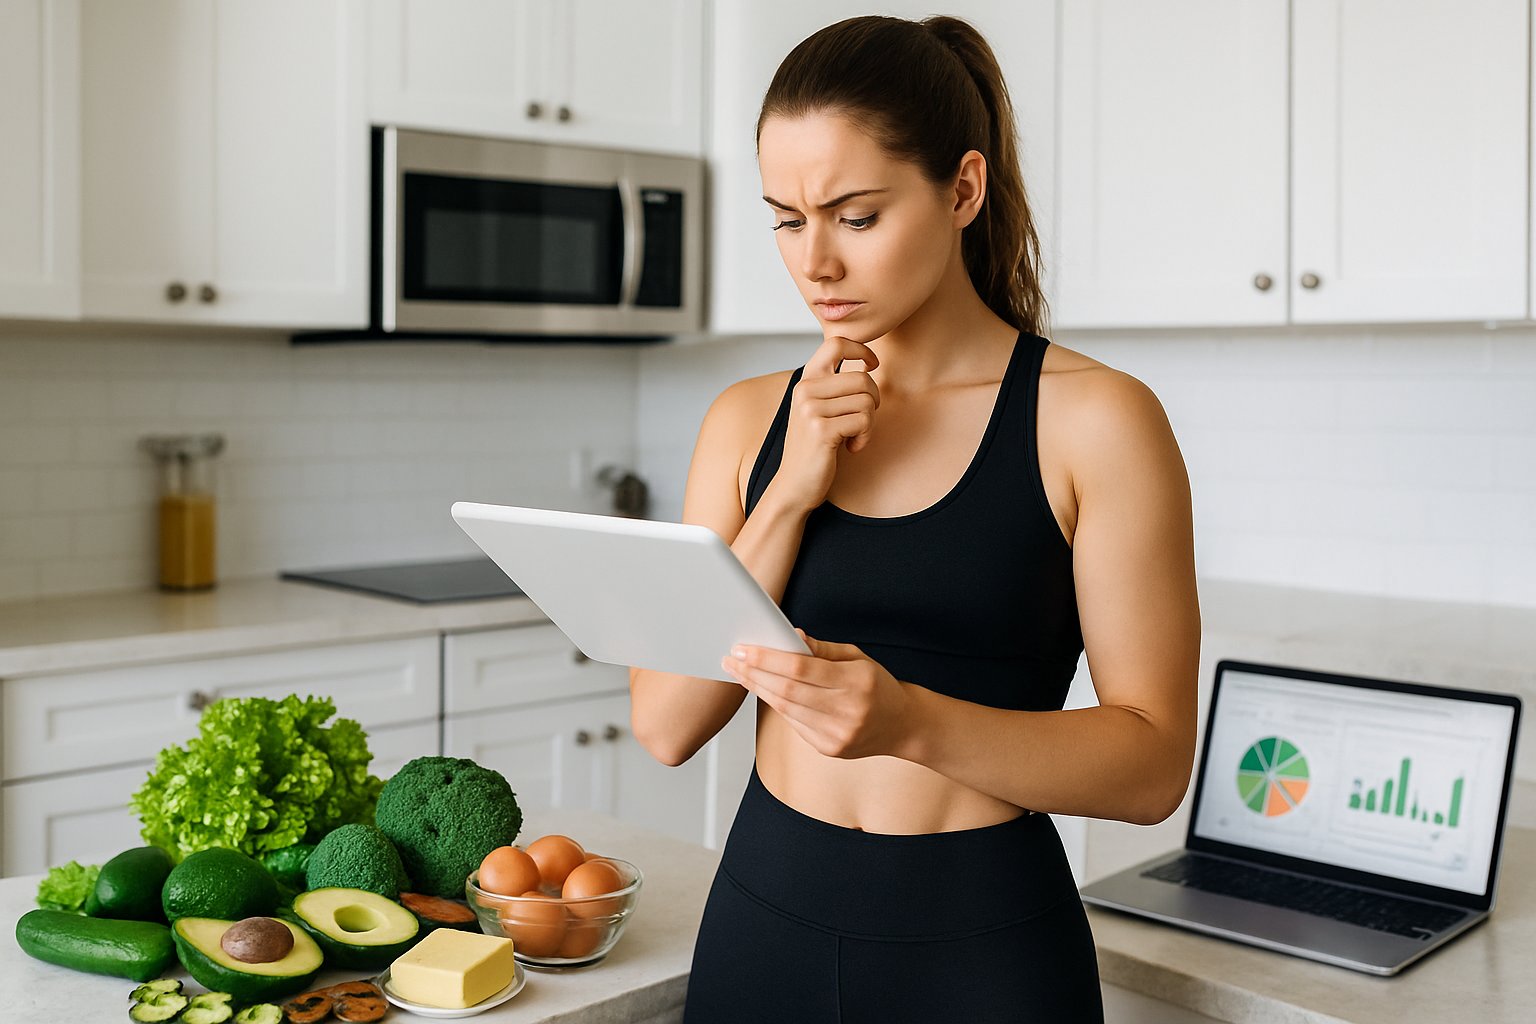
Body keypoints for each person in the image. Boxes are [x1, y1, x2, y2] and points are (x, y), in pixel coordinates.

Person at [629, 14, 1200, 1023]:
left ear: (963, 190)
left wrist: (910, 721)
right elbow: (667, 722)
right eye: (786, 218)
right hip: (765, 920)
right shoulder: (747, 421)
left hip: (982, 948)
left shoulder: (1095, 421)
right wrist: (790, 490)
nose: (815, 264)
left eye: (855, 216)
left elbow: (1153, 766)